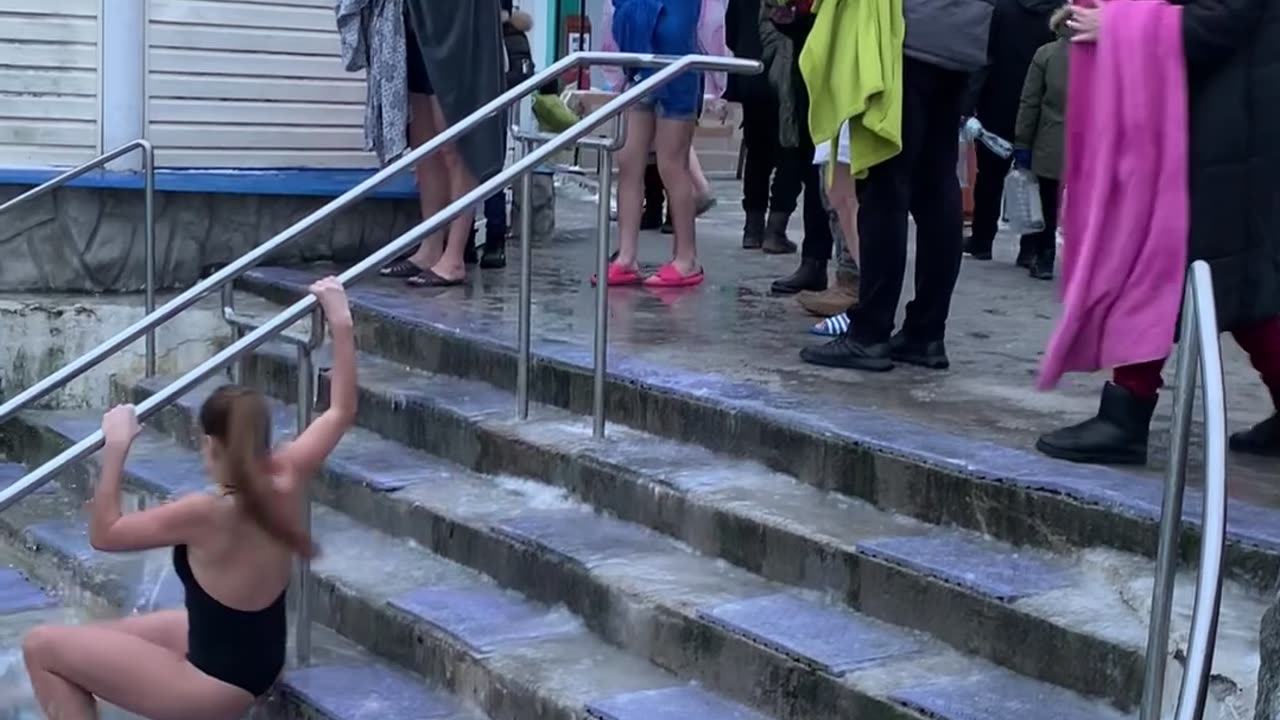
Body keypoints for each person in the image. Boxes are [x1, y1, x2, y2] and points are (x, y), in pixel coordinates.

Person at [21, 277, 357, 720]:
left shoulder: (206, 513)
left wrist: (116, 446)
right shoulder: (288, 472)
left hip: (213, 687)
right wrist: (341, 320)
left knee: (41, 646)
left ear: (212, 444)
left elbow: (104, 533)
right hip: (259, 659)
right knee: (120, 635)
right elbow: (340, 410)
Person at [1036, 0, 1280, 464]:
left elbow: (1221, 19)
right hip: (1215, 121)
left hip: (1224, 127)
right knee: (1233, 285)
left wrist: (1115, 24)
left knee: (1165, 268)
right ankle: (1125, 412)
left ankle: (1125, 416)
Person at [800, 0, 994, 371]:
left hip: (906, 32)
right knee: (937, 186)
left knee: (886, 185)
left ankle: (869, 333)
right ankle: (926, 333)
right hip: (964, 37)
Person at [378, 0, 506, 287]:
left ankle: (454, 256)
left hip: (459, 19)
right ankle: (430, 246)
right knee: (424, 141)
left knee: (455, 137)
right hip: (417, 16)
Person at [601, 0, 717, 288]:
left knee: (671, 164)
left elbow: (701, 26)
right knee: (628, 162)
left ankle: (686, 258)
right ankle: (626, 257)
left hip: (678, 74)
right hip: (641, 70)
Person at [961, 0, 1060, 265]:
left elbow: (985, 57)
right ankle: (1029, 249)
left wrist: (969, 104)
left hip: (997, 101)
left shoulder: (1001, 7)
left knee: (989, 177)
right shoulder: (1057, 11)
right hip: (1041, 108)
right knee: (1036, 179)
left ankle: (982, 239)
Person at [760, 0, 836, 295]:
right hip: (809, 71)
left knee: (841, 179)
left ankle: (853, 277)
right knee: (811, 165)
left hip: (843, 65)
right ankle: (814, 261)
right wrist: (788, 17)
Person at [725, 0, 801, 253]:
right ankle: (775, 231)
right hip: (787, 76)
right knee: (791, 153)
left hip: (751, 72)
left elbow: (730, 32)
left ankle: (752, 229)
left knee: (757, 154)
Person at [474, 2, 538, 271]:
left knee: (489, 172)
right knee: (476, 173)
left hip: (491, 108)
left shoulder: (508, 35)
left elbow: (520, 76)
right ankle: (476, 242)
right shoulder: (507, 33)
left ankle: (494, 239)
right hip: (479, 106)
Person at [1012, 6, 1070, 281]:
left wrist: (1022, 142)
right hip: (1089, 147)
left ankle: (1038, 255)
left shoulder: (1046, 54)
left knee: (1044, 202)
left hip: (1049, 141)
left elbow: (1030, 102)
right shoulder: (1104, 56)